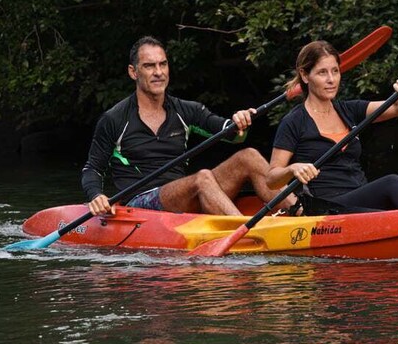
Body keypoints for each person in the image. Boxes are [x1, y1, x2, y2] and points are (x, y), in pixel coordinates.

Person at [82, 35, 294, 216]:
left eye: (162, 64)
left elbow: (232, 134)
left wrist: (239, 123)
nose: (158, 72)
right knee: (202, 178)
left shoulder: (186, 110)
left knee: (248, 156)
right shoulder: (114, 119)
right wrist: (96, 196)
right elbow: (93, 169)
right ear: (133, 72)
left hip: (183, 197)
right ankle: (248, 232)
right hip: (140, 204)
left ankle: (306, 215)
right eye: (149, 66)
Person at [266, 40, 398, 213]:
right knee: (391, 182)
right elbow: (272, 179)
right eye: (322, 73)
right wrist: (293, 168)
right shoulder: (293, 121)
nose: (331, 80)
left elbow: (397, 108)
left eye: (335, 71)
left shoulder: (349, 110)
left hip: (360, 195)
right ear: (305, 75)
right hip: (327, 207)